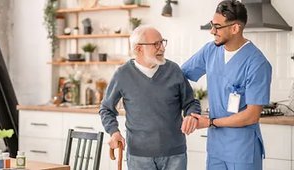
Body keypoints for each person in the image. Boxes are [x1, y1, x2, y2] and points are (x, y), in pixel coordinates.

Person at [181, 0, 272, 170]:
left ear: (235, 28)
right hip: (216, 148)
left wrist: (210, 122)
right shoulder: (210, 51)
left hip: (242, 150)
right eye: (211, 24)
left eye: (217, 26)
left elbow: (252, 115)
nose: (212, 31)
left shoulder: (257, 63)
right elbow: (180, 76)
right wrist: (190, 108)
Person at [100, 25, 201, 170]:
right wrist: (114, 131)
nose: (162, 48)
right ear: (138, 49)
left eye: (162, 42)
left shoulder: (173, 70)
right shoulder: (123, 74)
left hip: (175, 155)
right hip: (138, 157)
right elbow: (106, 108)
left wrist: (191, 115)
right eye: (156, 44)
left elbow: (191, 102)